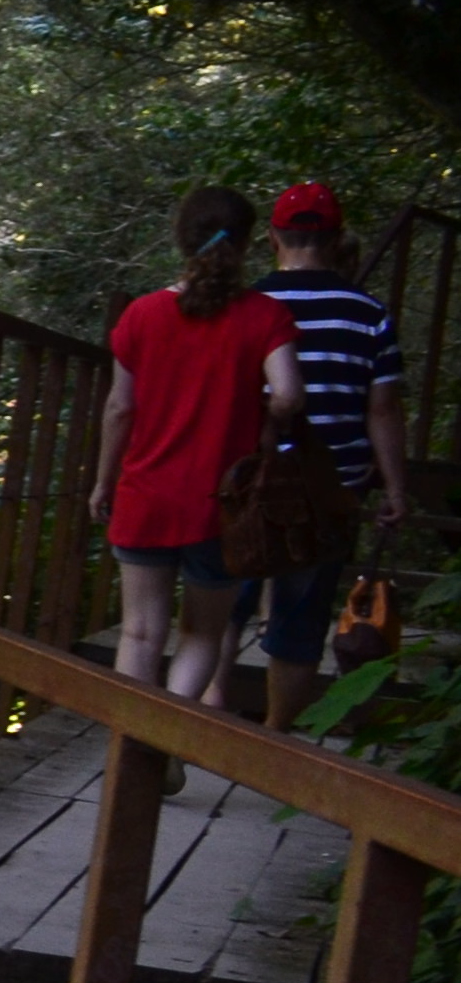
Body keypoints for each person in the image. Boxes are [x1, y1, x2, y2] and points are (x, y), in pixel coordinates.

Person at [91, 183, 303, 705]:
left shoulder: (140, 315)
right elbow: (291, 396)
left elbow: (120, 408)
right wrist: (265, 417)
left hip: (146, 496)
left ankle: (134, 744)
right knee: (203, 632)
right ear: (252, 242)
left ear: (182, 239)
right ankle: (167, 740)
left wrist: (102, 482)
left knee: (140, 633)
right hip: (220, 505)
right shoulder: (266, 316)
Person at [253, 178, 410, 728]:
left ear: (274, 238)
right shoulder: (369, 314)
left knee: (224, 603)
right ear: (337, 238)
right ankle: (273, 738)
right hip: (333, 485)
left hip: (249, 481)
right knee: (301, 615)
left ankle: (205, 713)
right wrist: (395, 487)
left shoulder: (250, 303)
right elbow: (383, 411)